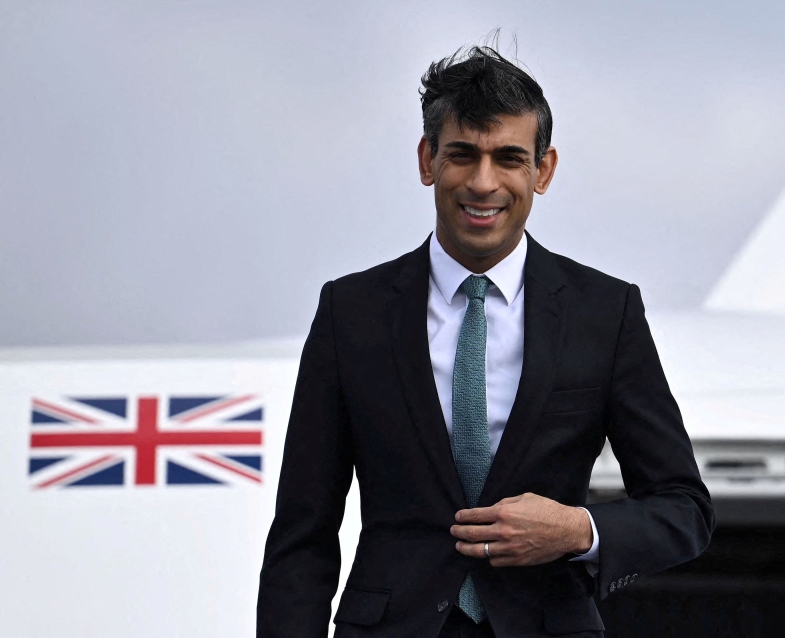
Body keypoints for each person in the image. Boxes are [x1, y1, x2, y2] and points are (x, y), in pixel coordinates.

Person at [257, 45, 714, 638]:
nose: (483, 182)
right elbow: (302, 535)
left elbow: (683, 508)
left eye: (509, 158)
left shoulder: (606, 312)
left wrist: (576, 530)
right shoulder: (351, 312)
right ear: (427, 159)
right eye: (462, 154)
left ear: (543, 170)